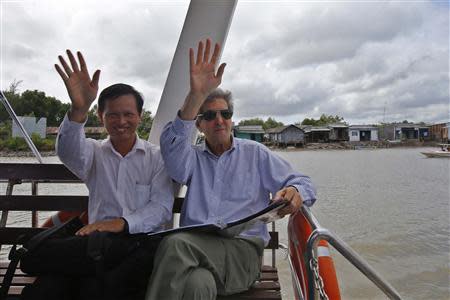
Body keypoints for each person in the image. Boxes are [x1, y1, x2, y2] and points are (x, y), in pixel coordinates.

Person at [146, 39, 317, 300]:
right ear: (199, 125)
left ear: (232, 120)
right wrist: (195, 96)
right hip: (198, 248)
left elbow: (303, 182)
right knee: (197, 285)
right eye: (210, 116)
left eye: (225, 114)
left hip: (242, 253)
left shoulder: (255, 154)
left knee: (174, 244)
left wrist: (294, 190)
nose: (219, 121)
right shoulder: (192, 159)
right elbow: (171, 150)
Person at [21, 50, 173, 300]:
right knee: (48, 289)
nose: (121, 121)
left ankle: (32, 255)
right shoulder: (93, 153)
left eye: (128, 114)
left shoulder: (156, 158)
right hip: (93, 246)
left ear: (140, 116)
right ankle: (35, 257)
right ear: (102, 117)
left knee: (94, 288)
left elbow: (161, 208)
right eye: (113, 114)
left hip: (138, 246)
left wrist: (122, 223)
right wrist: (79, 109)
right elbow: (68, 151)